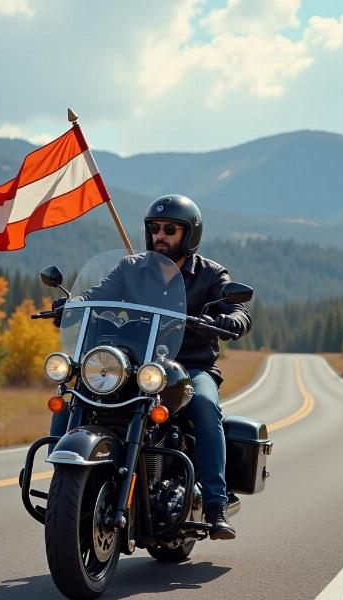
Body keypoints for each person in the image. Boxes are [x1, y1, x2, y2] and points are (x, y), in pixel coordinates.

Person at [51, 195, 252, 540]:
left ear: (189, 235)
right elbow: (98, 294)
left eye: (170, 229)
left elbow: (241, 313)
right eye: (154, 228)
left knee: (204, 405)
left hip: (188, 367)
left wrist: (229, 320)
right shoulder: (131, 267)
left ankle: (217, 505)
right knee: (76, 389)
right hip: (134, 362)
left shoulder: (209, 274)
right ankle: (62, 480)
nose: (160, 235)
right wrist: (74, 303)